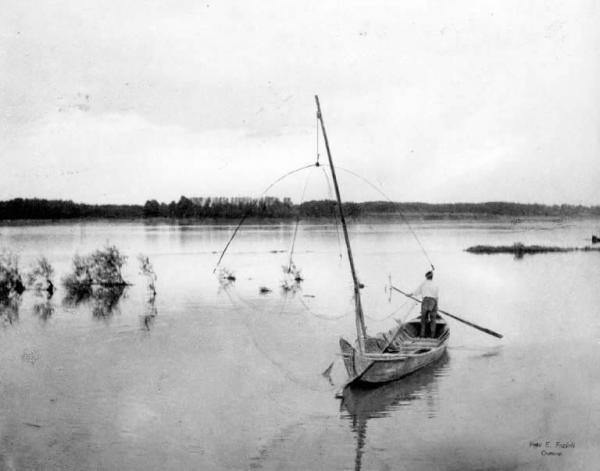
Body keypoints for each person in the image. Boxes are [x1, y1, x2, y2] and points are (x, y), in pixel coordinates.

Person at [411, 270, 439, 338]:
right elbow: (436, 296)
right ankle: (432, 335)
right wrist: (436, 306)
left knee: (423, 319)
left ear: (426, 277)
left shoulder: (423, 284)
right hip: (433, 301)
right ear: (432, 277)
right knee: (433, 319)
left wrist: (410, 294)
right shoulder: (435, 284)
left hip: (425, 301)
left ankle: (422, 335)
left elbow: (416, 292)